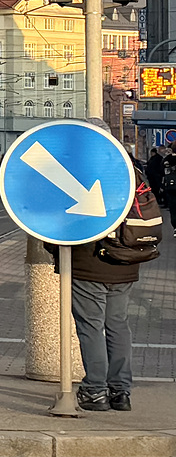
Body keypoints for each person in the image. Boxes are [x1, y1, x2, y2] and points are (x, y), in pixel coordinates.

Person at [67, 158, 162, 411]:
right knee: (118, 325)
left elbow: (66, 218)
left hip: (90, 262)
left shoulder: (85, 168)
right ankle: (121, 392)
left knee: (91, 326)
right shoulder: (132, 168)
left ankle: (95, 391)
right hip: (128, 260)